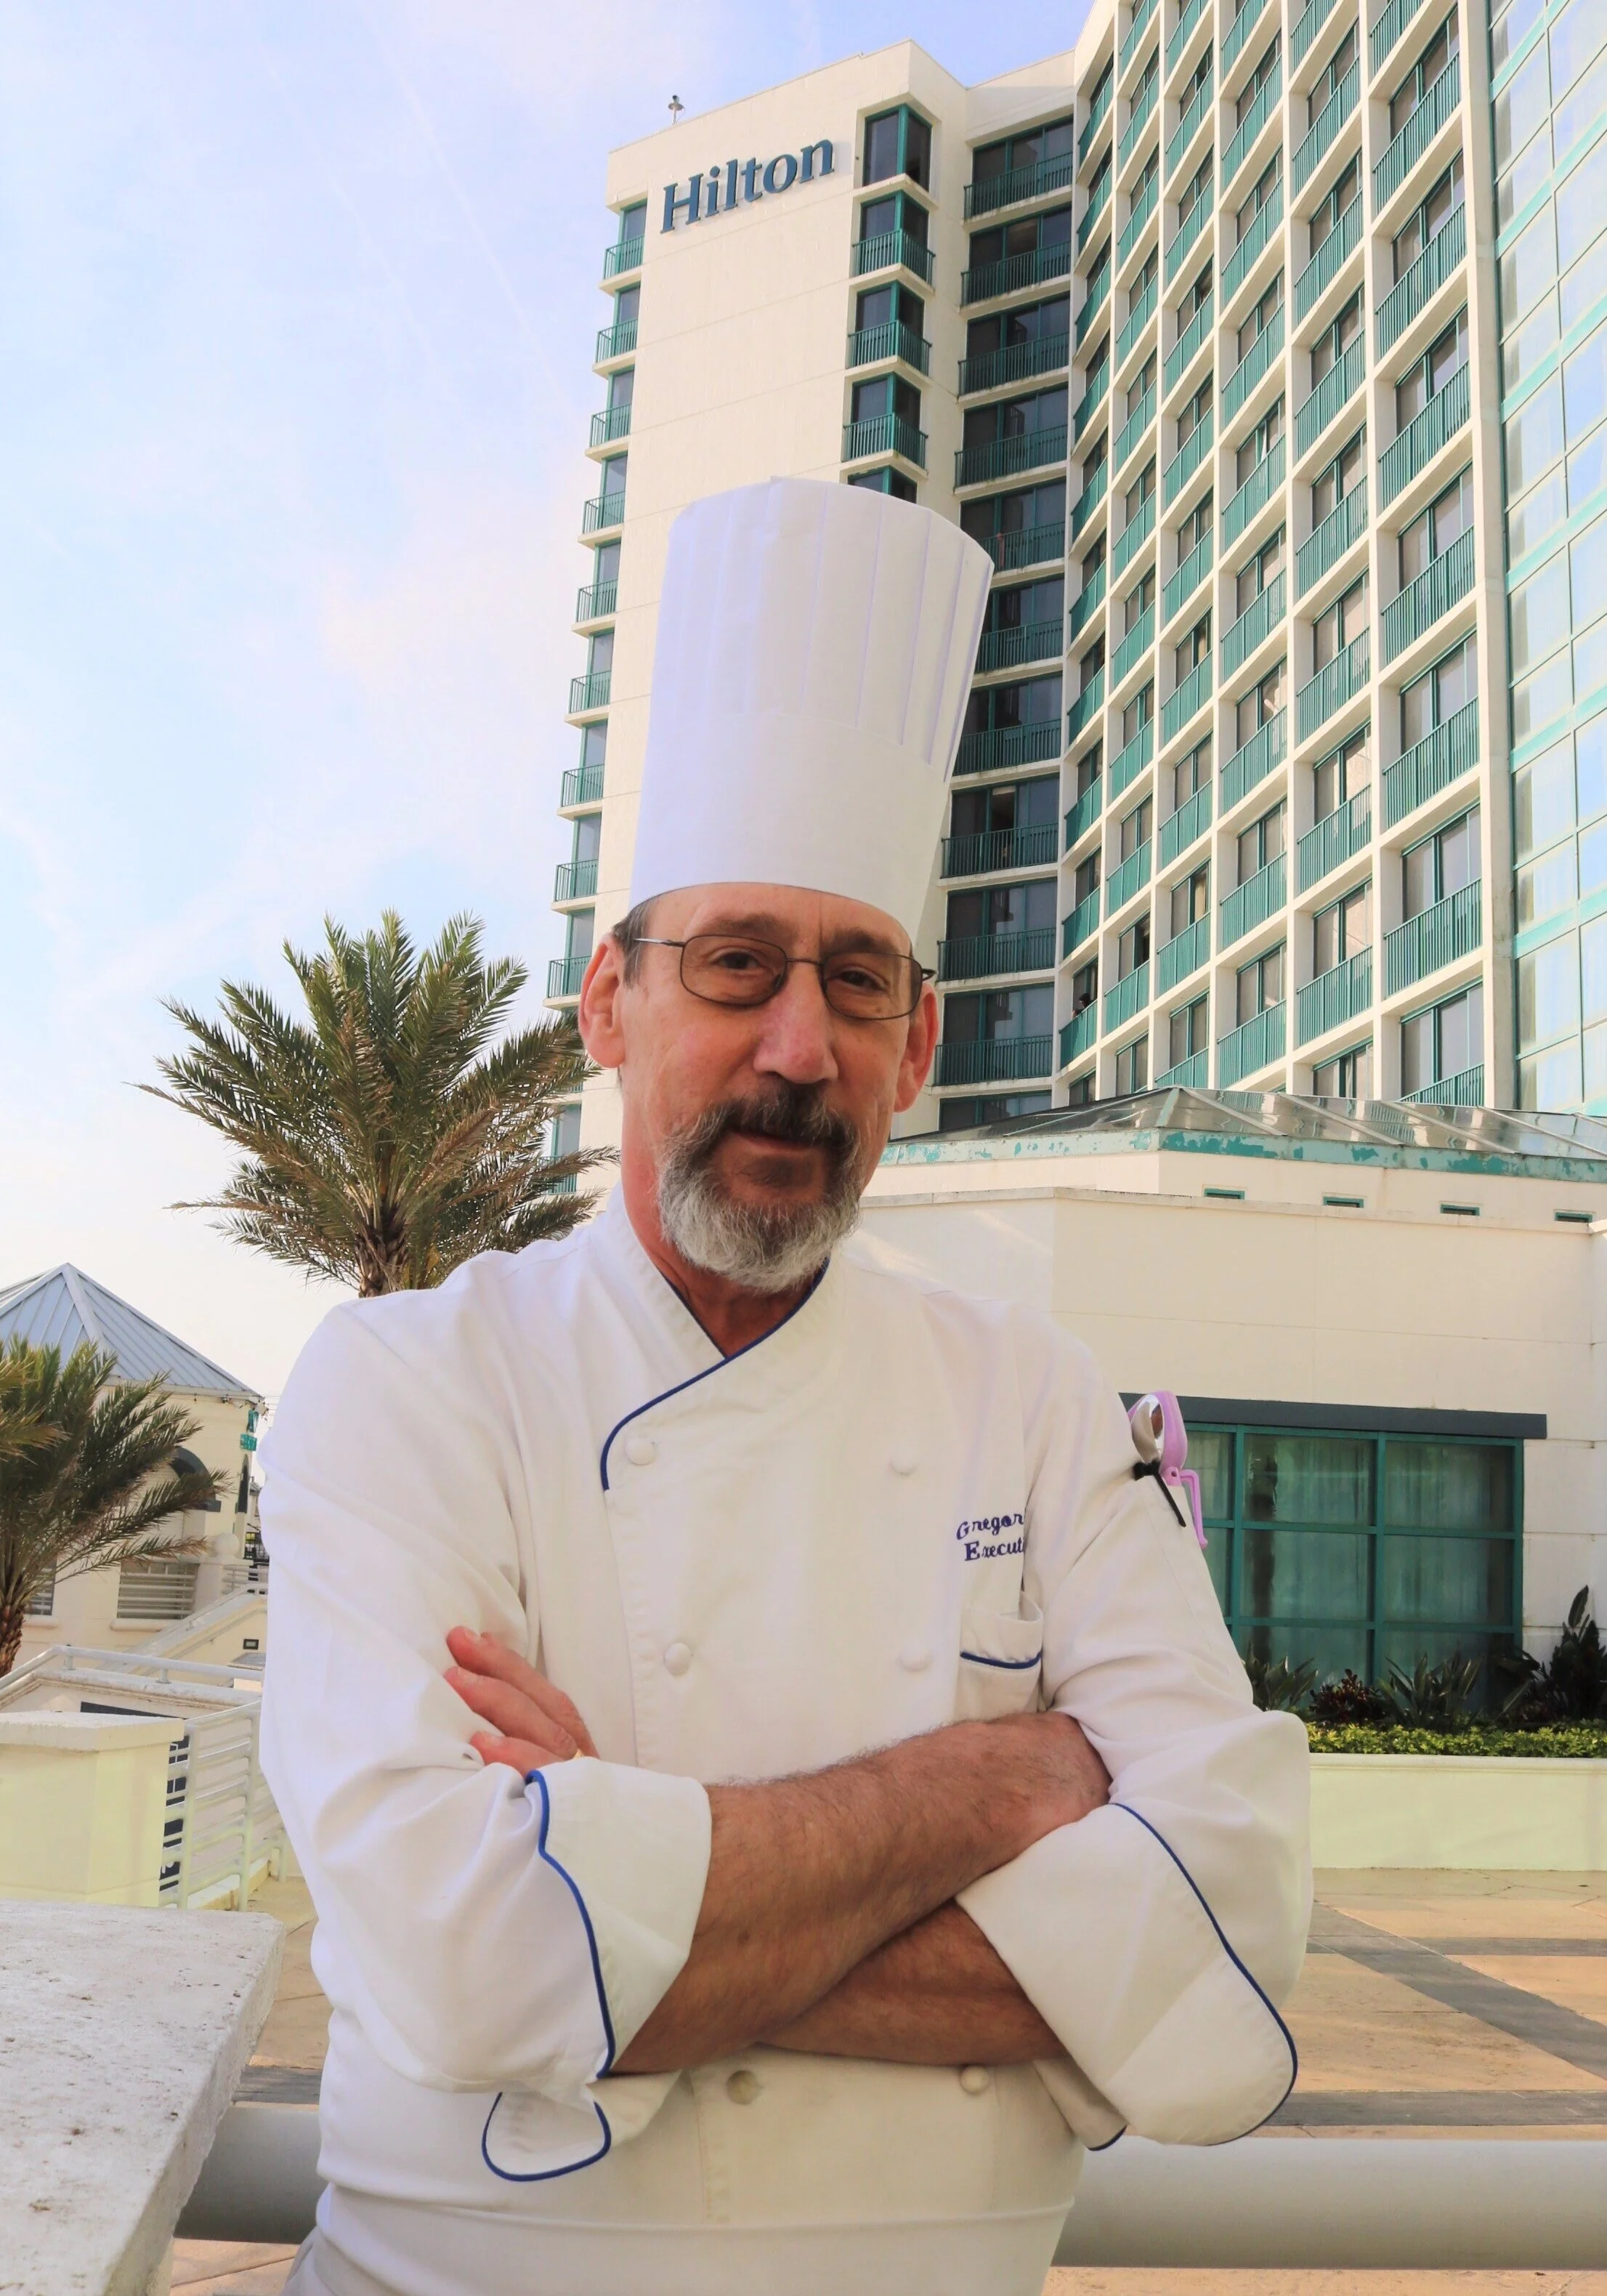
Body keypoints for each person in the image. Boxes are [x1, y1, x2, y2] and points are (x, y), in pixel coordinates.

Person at [261, 477, 1311, 2296]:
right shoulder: (408, 1379)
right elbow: (454, 1951)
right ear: (609, 1003)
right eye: (736, 964)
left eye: (857, 979)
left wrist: (624, 1874)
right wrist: (988, 1796)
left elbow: (1226, 1947)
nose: (796, 1045)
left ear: (916, 1046)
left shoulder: (1035, 1393)